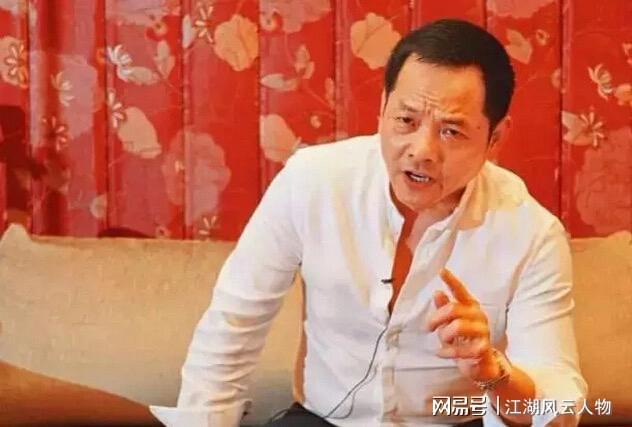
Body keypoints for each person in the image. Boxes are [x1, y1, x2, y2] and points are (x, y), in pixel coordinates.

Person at [150, 19, 587, 427]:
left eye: (451, 131)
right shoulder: (313, 181)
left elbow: (559, 405)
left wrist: (494, 374)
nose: (421, 150)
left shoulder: (532, 233)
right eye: (406, 120)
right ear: (382, 108)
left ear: (495, 138)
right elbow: (233, 325)